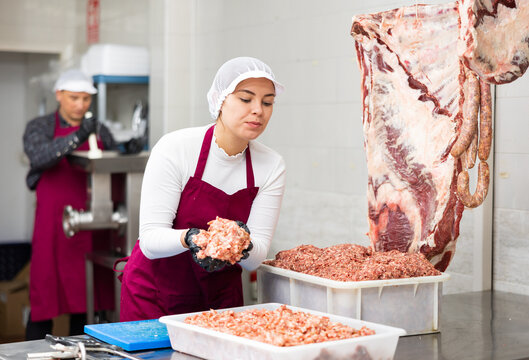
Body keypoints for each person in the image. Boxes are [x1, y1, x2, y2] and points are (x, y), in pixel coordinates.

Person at [118, 57, 286, 321]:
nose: (258, 110)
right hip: (156, 296)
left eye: (267, 102)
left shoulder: (271, 165)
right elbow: (150, 240)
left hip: (219, 300)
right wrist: (192, 239)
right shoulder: (176, 148)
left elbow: (257, 257)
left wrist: (239, 244)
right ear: (220, 100)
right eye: (245, 99)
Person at [23, 69, 116, 340]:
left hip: (91, 221)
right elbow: (40, 156)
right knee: (44, 293)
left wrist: (127, 148)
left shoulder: (98, 128)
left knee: (86, 297)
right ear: (59, 95)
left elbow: (113, 155)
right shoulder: (39, 127)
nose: (80, 105)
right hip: (53, 223)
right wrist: (76, 137)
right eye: (74, 98)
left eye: (86, 99)